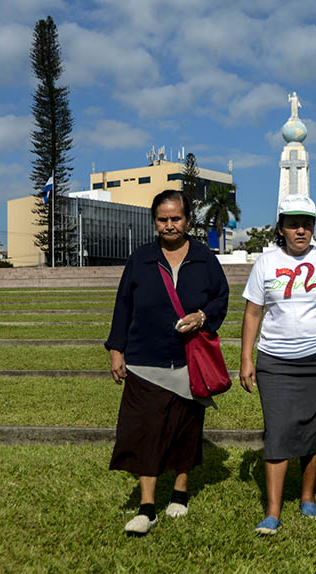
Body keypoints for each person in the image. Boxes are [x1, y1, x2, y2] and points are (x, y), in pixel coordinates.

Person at [105, 189, 229, 537]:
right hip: (146, 360)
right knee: (146, 432)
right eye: (163, 219)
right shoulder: (141, 259)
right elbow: (123, 305)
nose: (170, 225)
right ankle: (147, 507)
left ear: (187, 220)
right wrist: (117, 349)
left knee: (185, 431)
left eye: (176, 218)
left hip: (190, 360)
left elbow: (221, 298)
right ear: (154, 221)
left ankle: (180, 491)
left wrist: (203, 316)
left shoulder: (205, 259)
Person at [240, 194, 316, 535]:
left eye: (306, 224)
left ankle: (307, 497)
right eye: (293, 224)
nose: (300, 230)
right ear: (281, 228)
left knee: (315, 430)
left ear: (314, 227)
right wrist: (247, 358)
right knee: (278, 431)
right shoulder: (266, 263)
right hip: (276, 362)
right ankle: (273, 512)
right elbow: (253, 313)